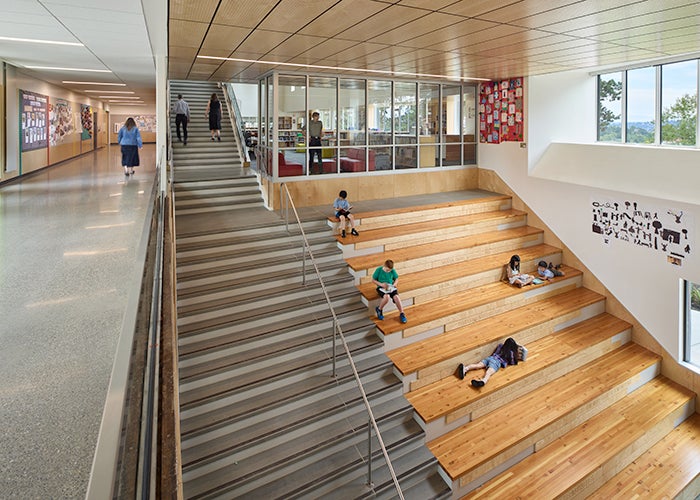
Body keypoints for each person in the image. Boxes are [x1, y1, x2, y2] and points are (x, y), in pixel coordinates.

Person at [457, 337, 528, 388]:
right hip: (496, 362)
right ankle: (483, 381)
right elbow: (512, 362)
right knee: (488, 373)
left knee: (478, 365)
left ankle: (465, 368)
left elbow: (496, 352)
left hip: (490, 358)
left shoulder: (500, 346)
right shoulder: (510, 353)